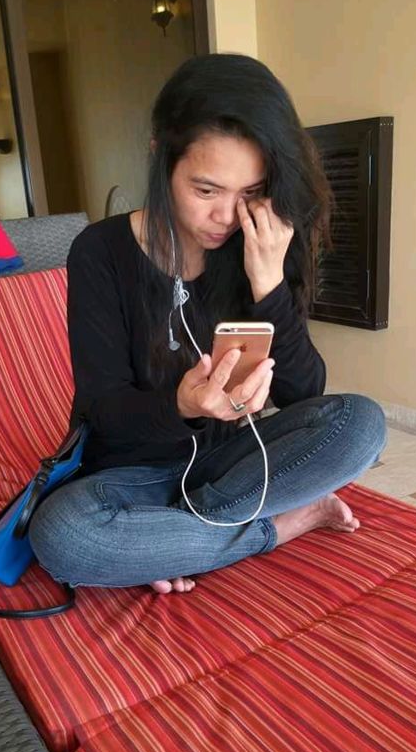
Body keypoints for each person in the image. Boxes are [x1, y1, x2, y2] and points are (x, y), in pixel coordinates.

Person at [29, 53, 386, 595]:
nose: (226, 216)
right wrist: (183, 405)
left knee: (362, 424)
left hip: (226, 468)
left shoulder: (259, 242)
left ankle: (173, 539)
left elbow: (303, 394)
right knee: (64, 536)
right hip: (129, 476)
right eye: (206, 190)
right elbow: (102, 408)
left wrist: (268, 283)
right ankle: (279, 526)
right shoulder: (99, 252)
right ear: (161, 158)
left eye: (249, 193)